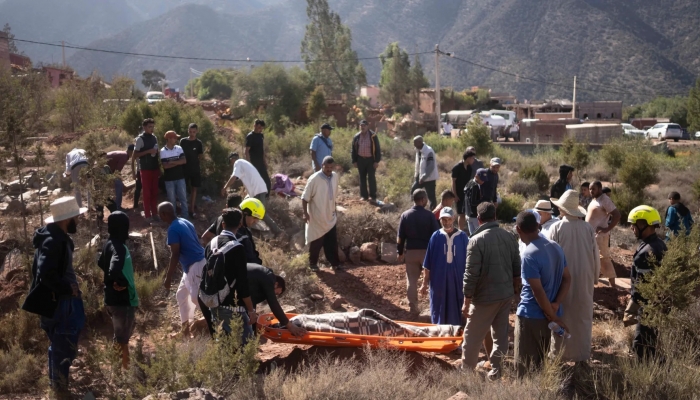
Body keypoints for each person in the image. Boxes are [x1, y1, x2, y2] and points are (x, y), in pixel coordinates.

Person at [22, 197, 88, 396]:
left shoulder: (56, 237)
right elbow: (45, 273)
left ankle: (57, 387)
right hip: (61, 303)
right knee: (64, 346)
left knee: (60, 346)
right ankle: (59, 390)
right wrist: (68, 289)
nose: (79, 219)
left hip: (60, 302)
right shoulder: (54, 239)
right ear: (67, 218)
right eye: (76, 216)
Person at [461, 202, 520, 380]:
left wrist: (466, 302)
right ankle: (497, 372)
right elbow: (517, 267)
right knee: (500, 336)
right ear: (495, 217)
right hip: (505, 295)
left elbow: (470, 275)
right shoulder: (509, 236)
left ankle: (466, 375)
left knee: (471, 337)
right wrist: (515, 292)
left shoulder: (476, 241)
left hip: (485, 298)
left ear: (478, 219)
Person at [514, 211, 571, 377]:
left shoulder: (529, 254)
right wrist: (556, 304)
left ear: (518, 229)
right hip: (547, 319)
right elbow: (567, 279)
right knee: (539, 366)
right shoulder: (555, 247)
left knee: (524, 369)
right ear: (537, 226)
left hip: (531, 316)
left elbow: (537, 291)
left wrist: (554, 317)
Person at [546, 190, 600, 362]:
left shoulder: (557, 227)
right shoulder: (588, 228)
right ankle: (581, 356)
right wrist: (595, 278)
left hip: (562, 281)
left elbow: (550, 256)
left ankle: (559, 356)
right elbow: (595, 255)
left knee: (561, 315)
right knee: (582, 318)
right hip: (585, 279)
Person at [202, 208, 257, 344]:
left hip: (214, 302)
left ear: (223, 224)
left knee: (223, 344)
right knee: (246, 345)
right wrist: (251, 310)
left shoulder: (211, 244)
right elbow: (242, 283)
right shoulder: (237, 248)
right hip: (232, 306)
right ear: (239, 224)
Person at [98, 211, 138, 370]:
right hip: (123, 301)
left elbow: (101, 262)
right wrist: (119, 281)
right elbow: (113, 268)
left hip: (111, 299)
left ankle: (117, 370)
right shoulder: (119, 248)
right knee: (123, 340)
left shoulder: (109, 243)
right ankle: (124, 372)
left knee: (119, 336)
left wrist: (112, 280)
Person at [159, 202, 206, 336]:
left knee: (197, 299)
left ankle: (217, 324)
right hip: (194, 264)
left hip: (195, 265)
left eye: (160, 215)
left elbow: (175, 254)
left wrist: (168, 277)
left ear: (164, 214)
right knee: (181, 295)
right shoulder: (184, 221)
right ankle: (185, 330)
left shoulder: (173, 229)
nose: (160, 218)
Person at [628, 205, 666, 360]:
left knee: (642, 344)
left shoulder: (646, 253)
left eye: (633, 224)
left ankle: (645, 376)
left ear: (643, 224)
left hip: (648, 307)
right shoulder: (659, 244)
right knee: (651, 341)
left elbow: (642, 287)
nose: (631, 228)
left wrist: (632, 308)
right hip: (659, 304)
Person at [420, 207, 468, 325]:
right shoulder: (435, 237)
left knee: (457, 310)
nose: (446, 223)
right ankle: (439, 339)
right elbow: (428, 264)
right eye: (443, 220)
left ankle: (456, 340)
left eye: (448, 219)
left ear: (454, 218)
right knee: (438, 309)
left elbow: (470, 262)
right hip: (438, 283)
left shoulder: (463, 237)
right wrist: (424, 284)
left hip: (458, 282)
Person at [397, 189, 440, 314]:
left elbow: (400, 237)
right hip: (427, 253)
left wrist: (400, 252)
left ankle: (413, 308)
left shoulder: (405, 215)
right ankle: (434, 306)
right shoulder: (429, 215)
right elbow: (436, 235)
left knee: (411, 280)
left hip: (411, 252)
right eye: (426, 198)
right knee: (433, 279)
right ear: (423, 200)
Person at [221, 152, 282, 235]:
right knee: (243, 207)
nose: (231, 164)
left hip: (258, 191)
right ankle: (243, 229)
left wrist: (224, 188)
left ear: (232, 159)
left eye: (230, 162)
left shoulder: (237, 162)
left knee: (261, 213)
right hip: (257, 191)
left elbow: (234, 177)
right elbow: (247, 179)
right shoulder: (244, 163)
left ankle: (278, 231)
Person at [244, 263, 307, 337]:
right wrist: (290, 326)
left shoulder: (260, 279)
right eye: (276, 293)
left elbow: (250, 299)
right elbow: (273, 303)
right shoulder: (268, 277)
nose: (274, 295)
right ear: (276, 284)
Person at [302, 156, 341, 272]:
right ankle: (313, 264)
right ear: (322, 166)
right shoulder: (314, 179)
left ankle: (335, 263)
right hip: (317, 216)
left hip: (330, 215)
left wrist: (334, 209)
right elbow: (304, 198)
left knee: (332, 241)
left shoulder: (335, 177)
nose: (329, 169)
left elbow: (333, 196)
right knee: (316, 240)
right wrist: (305, 213)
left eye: (331, 167)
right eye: (326, 167)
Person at [586, 181, 621, 288]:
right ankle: (590, 281)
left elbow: (617, 215)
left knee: (603, 258)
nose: (591, 191)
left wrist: (607, 229)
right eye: (590, 189)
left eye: (594, 189)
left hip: (600, 236)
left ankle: (613, 285)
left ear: (600, 189)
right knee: (590, 258)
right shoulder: (594, 200)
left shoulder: (605, 199)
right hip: (591, 235)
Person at [133, 118, 160, 221]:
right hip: (144, 169)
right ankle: (147, 215)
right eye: (149, 127)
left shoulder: (154, 138)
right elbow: (135, 155)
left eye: (153, 127)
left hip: (154, 168)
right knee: (146, 193)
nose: (152, 129)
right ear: (144, 127)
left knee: (154, 192)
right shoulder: (140, 139)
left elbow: (156, 152)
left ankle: (154, 213)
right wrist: (148, 151)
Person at [160, 131, 189, 219]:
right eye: (174, 138)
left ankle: (185, 217)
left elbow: (184, 161)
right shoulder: (163, 151)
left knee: (183, 199)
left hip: (180, 178)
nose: (176, 139)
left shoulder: (179, 148)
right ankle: (174, 218)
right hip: (169, 180)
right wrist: (178, 162)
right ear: (169, 139)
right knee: (172, 201)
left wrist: (172, 162)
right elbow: (165, 166)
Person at [351, 120, 381, 202]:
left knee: (371, 178)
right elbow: (353, 149)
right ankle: (364, 196)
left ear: (367, 126)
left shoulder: (373, 136)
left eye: (364, 125)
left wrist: (376, 161)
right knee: (362, 178)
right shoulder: (356, 136)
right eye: (361, 126)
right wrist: (354, 161)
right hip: (360, 160)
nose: (362, 127)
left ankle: (373, 196)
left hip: (371, 160)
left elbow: (378, 149)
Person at [180, 123, 204, 217]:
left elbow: (200, 156)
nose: (192, 133)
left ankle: (191, 209)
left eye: (194, 132)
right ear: (188, 131)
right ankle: (184, 208)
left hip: (195, 169)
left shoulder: (199, 143)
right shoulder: (183, 141)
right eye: (190, 131)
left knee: (194, 189)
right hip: (184, 169)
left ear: (197, 131)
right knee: (183, 189)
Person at [411, 136, 439, 209]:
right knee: (414, 190)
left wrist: (423, 177)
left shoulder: (428, 151)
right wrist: (416, 175)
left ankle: (433, 213)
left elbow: (430, 167)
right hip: (420, 177)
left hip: (429, 179)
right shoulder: (418, 150)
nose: (414, 145)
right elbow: (418, 164)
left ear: (420, 142)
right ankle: (416, 209)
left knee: (431, 197)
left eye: (415, 143)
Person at [451, 150, 476, 230]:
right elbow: (453, 182)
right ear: (468, 158)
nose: (473, 160)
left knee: (467, 213)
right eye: (472, 158)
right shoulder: (457, 168)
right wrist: (455, 195)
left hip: (467, 194)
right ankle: (460, 230)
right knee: (461, 214)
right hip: (458, 194)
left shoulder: (469, 168)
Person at [245, 119, 271, 193]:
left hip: (261, 163)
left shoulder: (261, 135)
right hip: (253, 163)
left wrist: (264, 161)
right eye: (259, 127)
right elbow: (246, 151)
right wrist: (249, 164)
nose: (260, 129)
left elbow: (261, 150)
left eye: (261, 128)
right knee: (255, 182)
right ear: (255, 125)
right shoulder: (250, 136)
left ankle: (266, 198)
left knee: (267, 181)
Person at [105, 145, 134, 210]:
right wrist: (121, 182)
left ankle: (115, 206)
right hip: (103, 169)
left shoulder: (123, 154)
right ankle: (117, 207)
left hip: (104, 169)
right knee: (119, 185)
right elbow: (117, 171)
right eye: (134, 152)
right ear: (131, 151)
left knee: (118, 183)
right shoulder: (124, 156)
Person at [464, 168, 489, 235]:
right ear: (476, 176)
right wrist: (483, 200)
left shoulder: (470, 182)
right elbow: (473, 202)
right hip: (474, 215)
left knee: (472, 235)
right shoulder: (475, 187)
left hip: (468, 213)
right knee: (479, 234)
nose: (483, 181)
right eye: (481, 179)